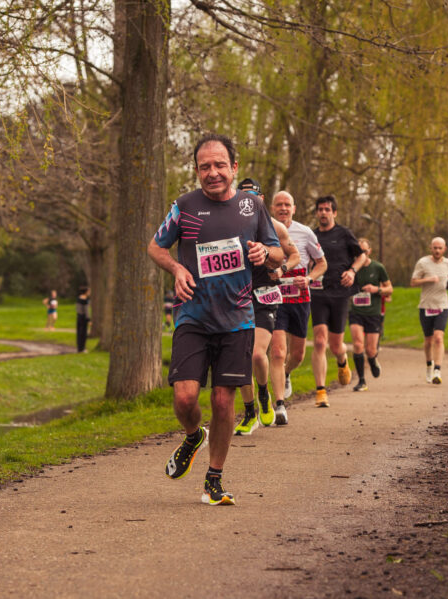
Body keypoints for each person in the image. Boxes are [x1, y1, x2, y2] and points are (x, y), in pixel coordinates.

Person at [147, 133, 284, 506]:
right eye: (205, 166)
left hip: (238, 318)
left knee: (224, 403)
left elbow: (277, 253)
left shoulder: (252, 207)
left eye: (220, 165)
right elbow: (156, 246)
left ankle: (214, 479)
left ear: (234, 168)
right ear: (196, 170)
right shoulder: (185, 206)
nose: (213, 173)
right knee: (185, 396)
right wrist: (176, 268)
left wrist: (263, 253)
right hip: (193, 315)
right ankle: (194, 435)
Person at [233, 179, 299, 436]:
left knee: (257, 354)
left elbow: (294, 255)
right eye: (243, 196)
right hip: (236, 296)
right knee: (240, 358)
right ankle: (250, 413)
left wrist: (282, 269)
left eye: (253, 196)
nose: (249, 201)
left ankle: (263, 393)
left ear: (260, 199)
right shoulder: (230, 227)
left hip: (264, 296)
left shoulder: (275, 226)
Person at [268, 190, 327, 425]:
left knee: (297, 354)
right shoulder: (265, 230)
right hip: (274, 295)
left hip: (300, 295)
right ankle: (280, 405)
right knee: (278, 352)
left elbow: (322, 263)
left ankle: (287, 372)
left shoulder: (305, 232)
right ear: (272, 208)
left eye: (287, 204)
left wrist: (310, 279)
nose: (283, 208)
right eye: (279, 204)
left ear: (294, 208)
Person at [309, 195, 366, 407]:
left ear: (334, 212)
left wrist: (352, 271)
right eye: (320, 209)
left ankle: (342, 360)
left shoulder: (344, 234)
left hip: (340, 293)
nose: (323, 213)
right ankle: (321, 391)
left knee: (335, 345)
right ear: (316, 213)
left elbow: (361, 257)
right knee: (320, 341)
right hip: (318, 293)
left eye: (327, 209)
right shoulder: (311, 235)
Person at [348, 238, 392, 392]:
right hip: (356, 312)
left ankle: (373, 361)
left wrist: (376, 289)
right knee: (358, 344)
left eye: (365, 251)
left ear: (370, 251)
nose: (363, 255)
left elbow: (390, 289)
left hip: (373, 313)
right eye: (360, 252)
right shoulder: (351, 268)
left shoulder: (378, 267)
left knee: (371, 350)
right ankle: (361, 380)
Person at [410, 237, 448, 384]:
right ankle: (429, 365)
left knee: (438, 338)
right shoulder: (423, 263)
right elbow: (413, 282)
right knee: (428, 341)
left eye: (440, 248)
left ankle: (437, 369)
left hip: (442, 306)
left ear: (444, 249)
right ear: (430, 248)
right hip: (426, 306)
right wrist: (428, 280)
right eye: (435, 248)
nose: (437, 250)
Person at [75, 286, 91, 353]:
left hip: (79, 317)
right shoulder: (85, 300)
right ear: (86, 292)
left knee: (79, 333)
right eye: (89, 291)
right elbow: (86, 310)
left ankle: (79, 348)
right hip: (84, 318)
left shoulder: (78, 298)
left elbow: (77, 309)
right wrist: (89, 320)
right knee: (83, 333)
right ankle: (82, 348)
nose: (90, 293)